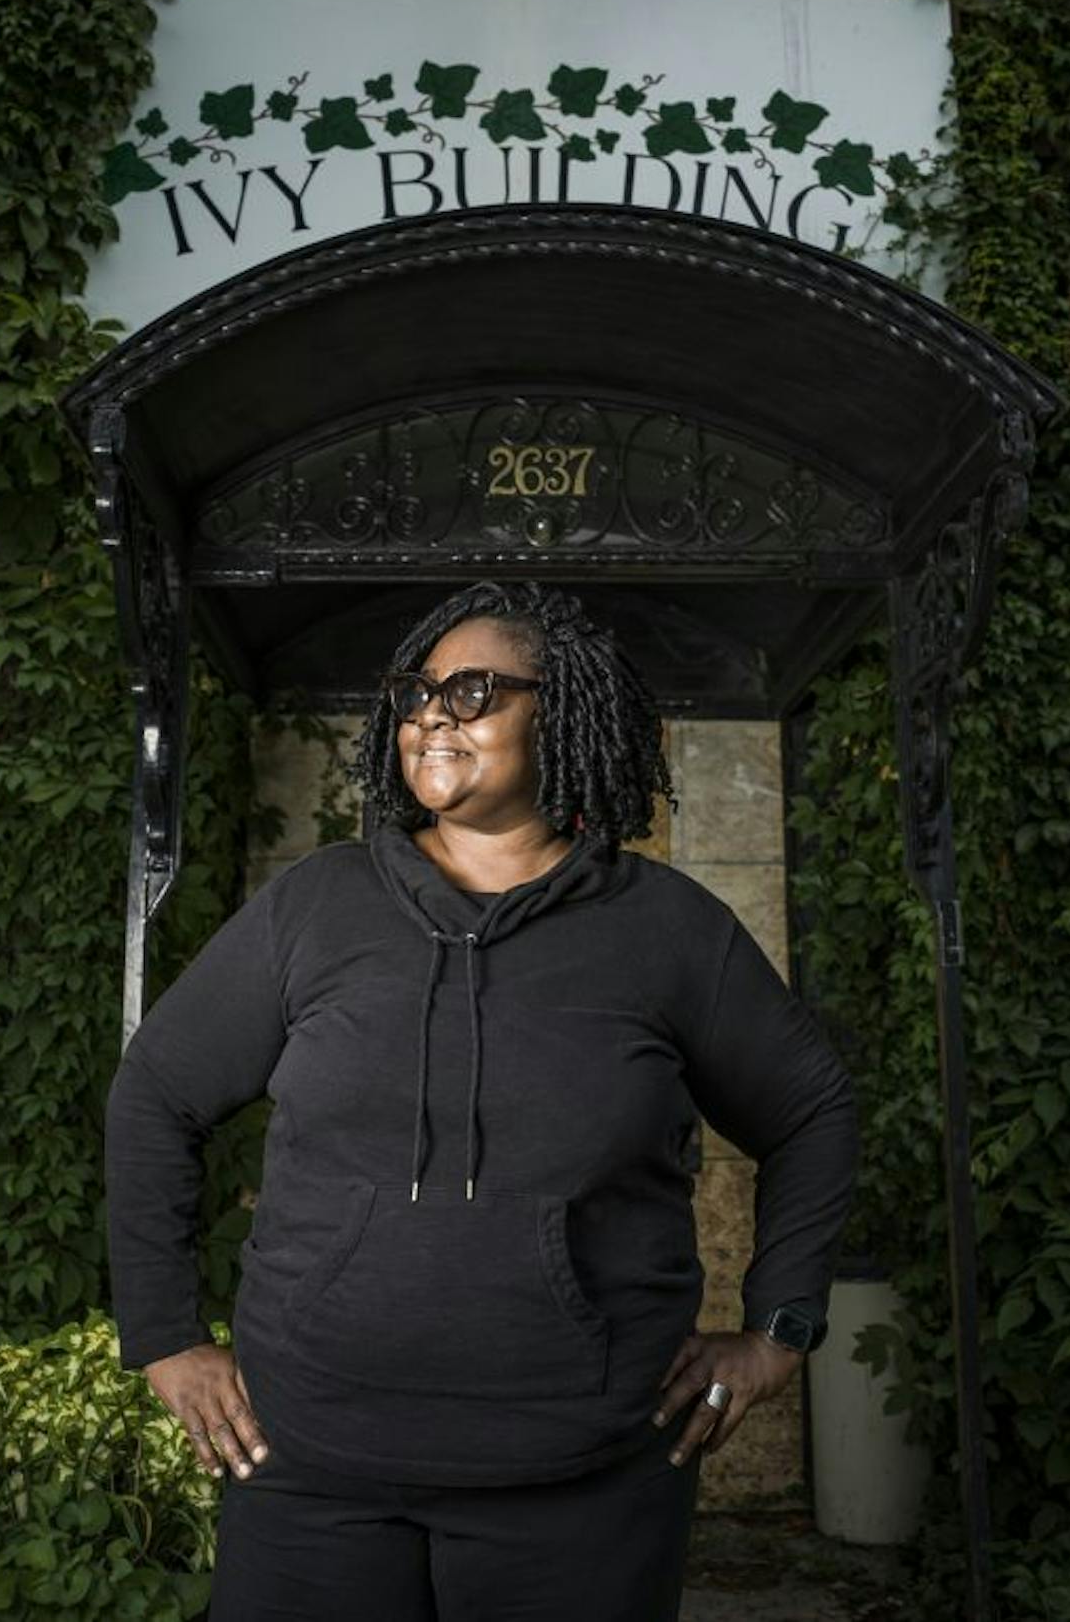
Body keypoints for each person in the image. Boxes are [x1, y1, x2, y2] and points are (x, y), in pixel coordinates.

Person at [104, 578, 861, 1622]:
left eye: (472, 690)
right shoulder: (317, 907)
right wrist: (164, 1334)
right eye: (415, 692)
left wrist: (778, 1330)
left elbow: (811, 1107)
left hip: (583, 1484)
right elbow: (156, 1091)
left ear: (563, 710)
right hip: (314, 1468)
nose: (430, 715)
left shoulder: (666, 930)